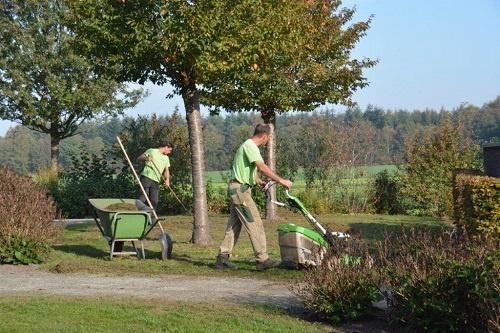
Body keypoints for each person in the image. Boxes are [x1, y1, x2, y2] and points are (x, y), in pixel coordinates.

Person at [216, 124, 293, 271]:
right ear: (264, 136)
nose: (268, 141)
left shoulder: (246, 146)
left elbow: (249, 170)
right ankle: (262, 259)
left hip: (237, 190)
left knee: (233, 227)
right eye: (268, 138)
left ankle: (222, 259)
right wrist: (281, 180)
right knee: (255, 224)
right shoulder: (250, 146)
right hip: (240, 192)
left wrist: (258, 182)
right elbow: (262, 166)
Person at [136, 142, 174, 211]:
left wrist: (167, 179)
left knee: (154, 201)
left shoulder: (166, 158)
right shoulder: (152, 151)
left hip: (156, 180)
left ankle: (151, 218)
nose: (169, 152)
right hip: (147, 176)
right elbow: (139, 158)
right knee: (142, 197)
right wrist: (146, 158)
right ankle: (137, 214)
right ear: (166, 147)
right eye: (169, 150)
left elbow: (166, 170)